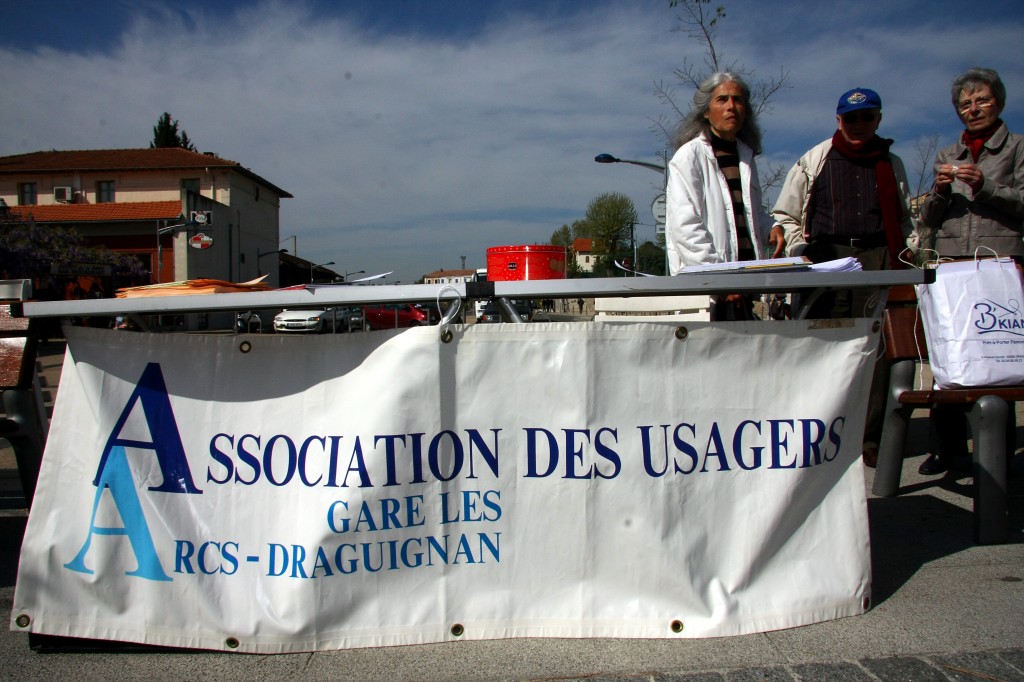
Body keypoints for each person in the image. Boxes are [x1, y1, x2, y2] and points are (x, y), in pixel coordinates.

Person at [771, 87, 915, 467]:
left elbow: (904, 217)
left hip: (877, 258)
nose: (858, 124)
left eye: (866, 117)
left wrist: (908, 251)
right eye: (850, 118)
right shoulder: (815, 159)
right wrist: (800, 250)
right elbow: (785, 215)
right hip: (827, 261)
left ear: (878, 119)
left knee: (877, 352)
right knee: (823, 345)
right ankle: (820, 431)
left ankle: (869, 438)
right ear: (838, 120)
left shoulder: (891, 163)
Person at [917, 67, 1024, 475]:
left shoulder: (1016, 148)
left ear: (998, 102)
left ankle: (998, 451)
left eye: (981, 100)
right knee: (950, 355)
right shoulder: (948, 155)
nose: (973, 108)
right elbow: (928, 217)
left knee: (999, 356)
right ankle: (948, 447)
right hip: (953, 265)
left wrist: (987, 187)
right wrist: (941, 191)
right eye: (965, 103)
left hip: (999, 265)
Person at [665, 72, 784, 320]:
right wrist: (718, 279)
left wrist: (770, 228)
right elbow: (685, 225)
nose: (731, 106)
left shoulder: (746, 158)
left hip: (744, 284)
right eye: (722, 99)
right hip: (709, 292)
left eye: (738, 100)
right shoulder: (689, 157)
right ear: (706, 111)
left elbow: (747, 212)